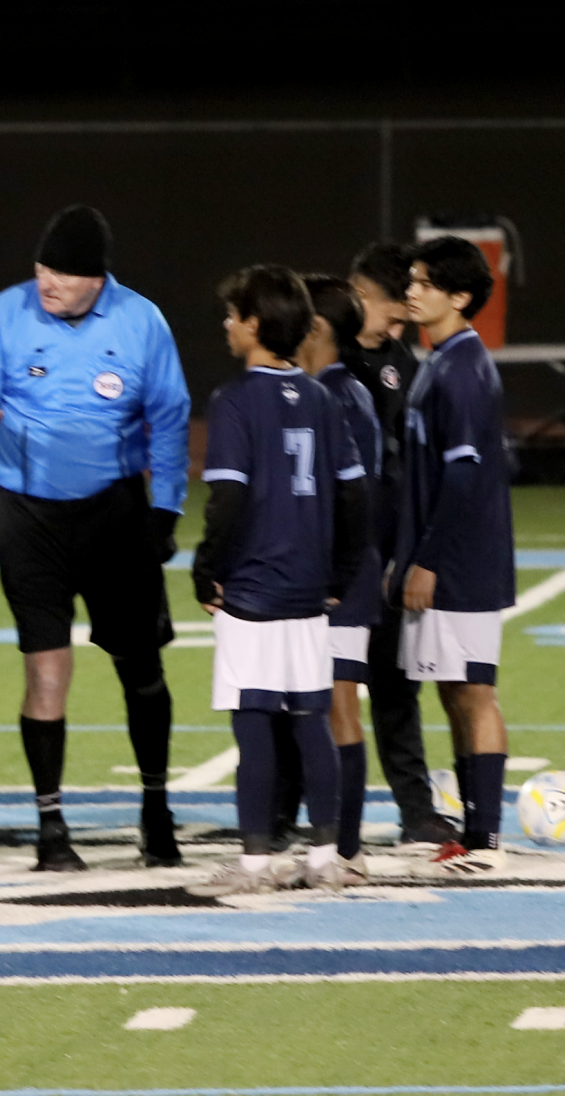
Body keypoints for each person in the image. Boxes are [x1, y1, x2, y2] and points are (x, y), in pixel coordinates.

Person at [0, 205, 191, 871]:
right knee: (45, 670)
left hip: (115, 515)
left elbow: (169, 418)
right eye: (41, 266)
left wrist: (163, 513)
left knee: (141, 668)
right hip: (29, 519)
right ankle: (51, 828)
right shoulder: (5, 313)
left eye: (62, 271)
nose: (46, 280)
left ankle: (156, 809)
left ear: (96, 279)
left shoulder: (141, 321)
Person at [189, 265, 369, 896]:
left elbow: (229, 500)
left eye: (234, 315)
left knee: (254, 721)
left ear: (256, 324)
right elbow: (354, 498)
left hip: (254, 589)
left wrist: (206, 567)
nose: (227, 325)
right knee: (309, 722)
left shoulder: (235, 400)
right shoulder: (322, 398)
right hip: (308, 592)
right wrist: (342, 570)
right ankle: (325, 859)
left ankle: (256, 865)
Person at [393, 235, 515, 875]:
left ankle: (487, 840)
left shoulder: (465, 370)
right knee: (451, 693)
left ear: (459, 296)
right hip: (442, 559)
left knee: (474, 694)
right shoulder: (440, 361)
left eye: (423, 282)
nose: (411, 291)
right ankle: (470, 833)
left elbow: (463, 480)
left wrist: (429, 559)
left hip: (463, 565)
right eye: (411, 280)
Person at [346, 243, 457, 845]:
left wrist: (412, 552)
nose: (398, 325)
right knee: (313, 693)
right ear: (360, 295)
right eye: (391, 313)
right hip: (333, 563)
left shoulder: (403, 361)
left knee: (396, 688)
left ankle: (416, 812)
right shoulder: (322, 358)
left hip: (388, 554)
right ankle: (297, 816)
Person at [295, 274, 382, 884]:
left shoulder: (339, 396)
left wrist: (332, 571)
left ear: (316, 329)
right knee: (324, 707)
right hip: (333, 572)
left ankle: (346, 847)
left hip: (339, 577)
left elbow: (351, 497)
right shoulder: (334, 389)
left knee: (338, 707)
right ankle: (334, 840)